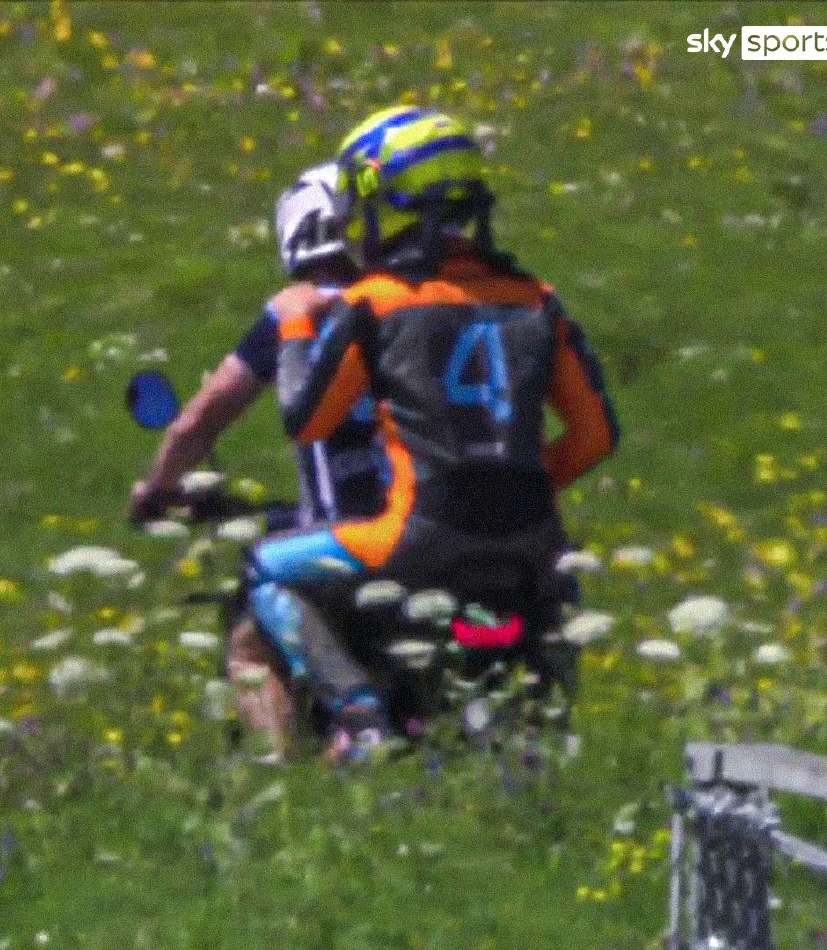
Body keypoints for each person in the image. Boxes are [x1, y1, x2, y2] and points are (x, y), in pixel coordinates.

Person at [248, 106, 620, 761]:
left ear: (383, 205)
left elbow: (308, 421)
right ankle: (547, 721)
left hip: (415, 536)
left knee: (264, 569)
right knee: (558, 589)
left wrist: (298, 325)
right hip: (531, 539)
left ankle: (360, 716)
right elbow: (594, 436)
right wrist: (519, 479)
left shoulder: (379, 301)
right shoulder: (537, 299)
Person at [130, 161, 385, 758]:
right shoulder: (404, 305)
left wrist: (158, 486)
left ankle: (290, 763)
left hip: (349, 535)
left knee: (248, 635)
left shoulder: (298, 311)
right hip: (426, 518)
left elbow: (201, 419)